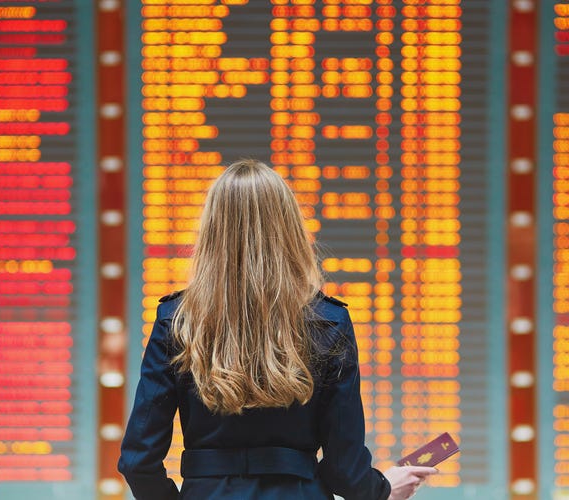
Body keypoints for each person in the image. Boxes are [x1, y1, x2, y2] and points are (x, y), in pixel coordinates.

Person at [118, 159, 438, 499]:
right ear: (289, 228)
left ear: (211, 230)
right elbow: (343, 467)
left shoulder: (177, 320)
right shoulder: (329, 321)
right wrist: (382, 489)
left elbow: (139, 461)